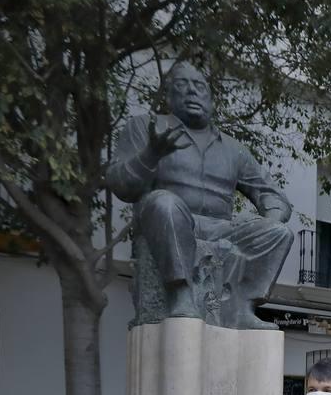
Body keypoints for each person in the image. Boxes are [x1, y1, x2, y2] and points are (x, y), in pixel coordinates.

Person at [106, 62, 292, 329]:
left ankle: (241, 307)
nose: (192, 92)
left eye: (199, 87)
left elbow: (273, 196)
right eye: (182, 85)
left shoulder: (233, 149)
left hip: (221, 229)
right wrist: (150, 154)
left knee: (278, 232)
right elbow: (120, 185)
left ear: (211, 99)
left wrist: (269, 219)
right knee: (164, 202)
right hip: (170, 219)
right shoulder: (146, 126)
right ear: (168, 94)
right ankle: (181, 296)